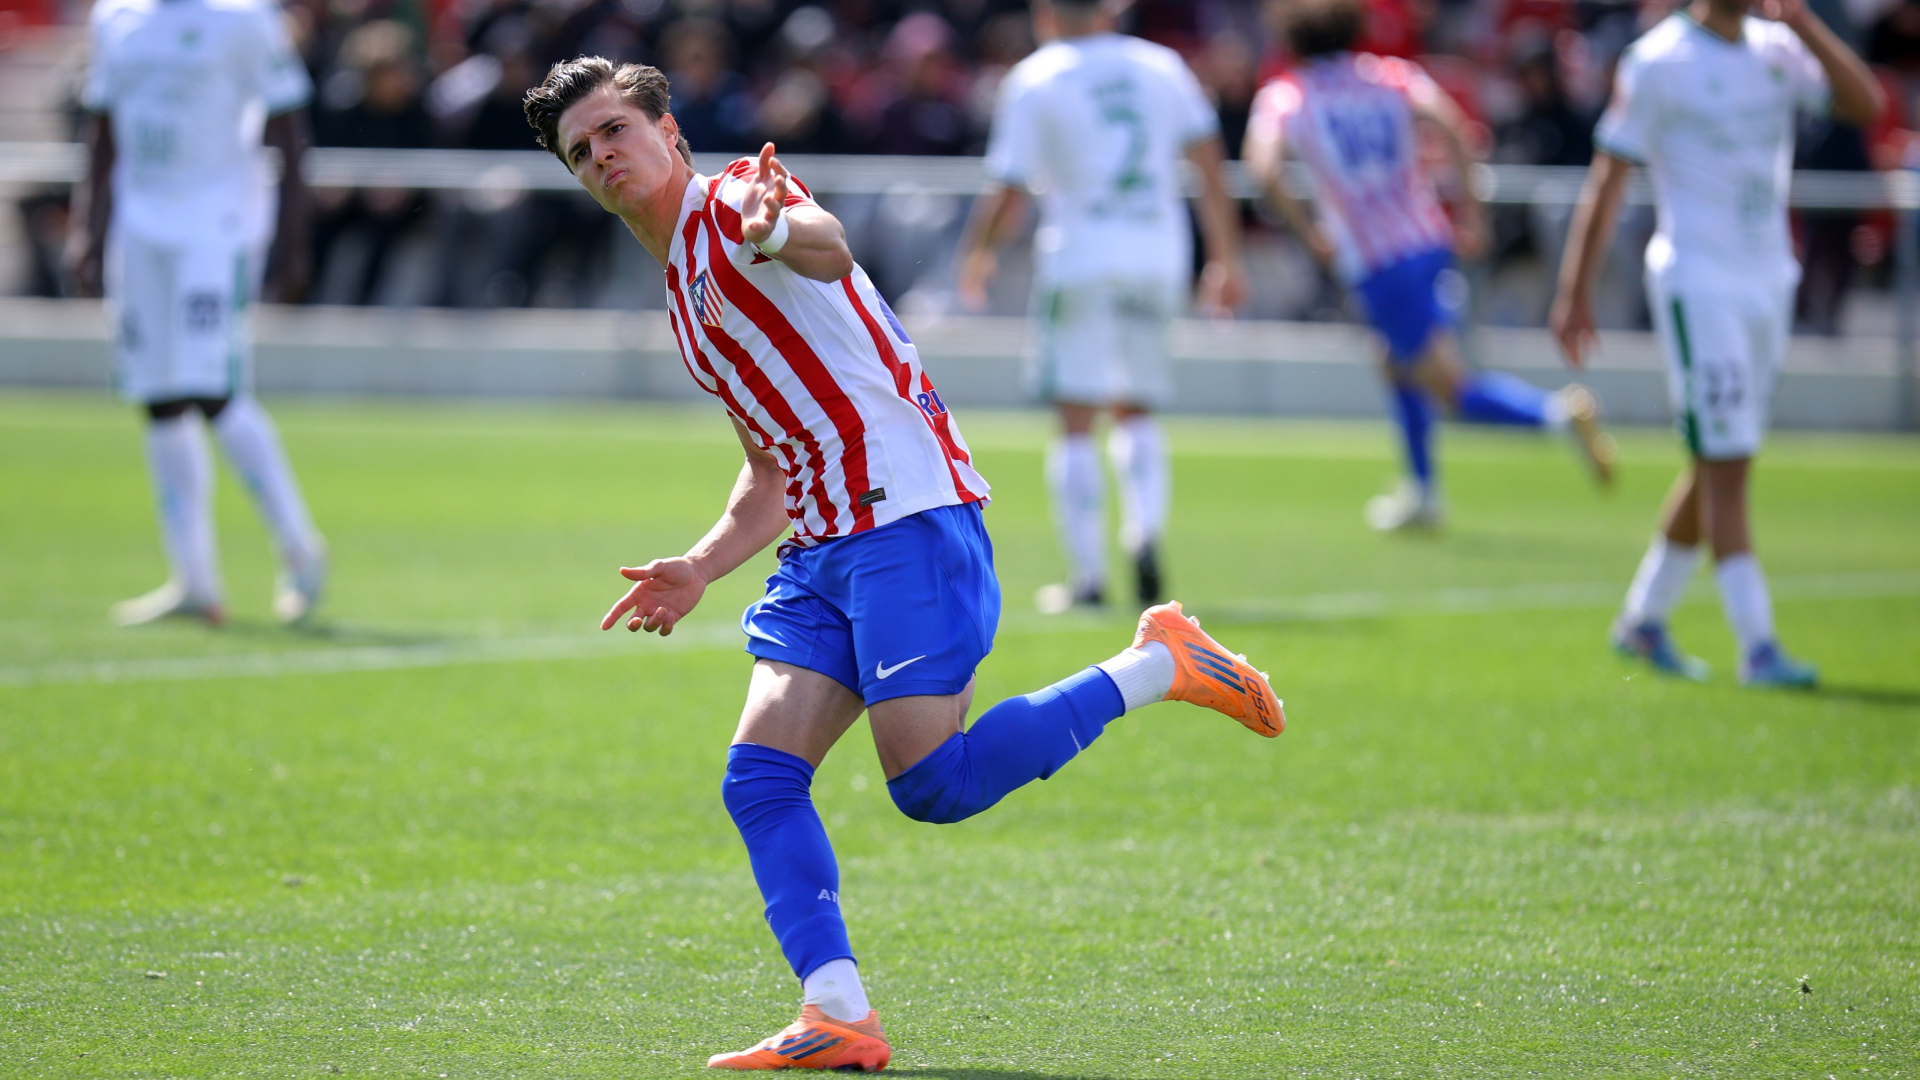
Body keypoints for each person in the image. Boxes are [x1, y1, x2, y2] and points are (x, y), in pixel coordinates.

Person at [522, 56, 1286, 1071]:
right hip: (822, 544)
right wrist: (703, 566)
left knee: (932, 785)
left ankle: (1160, 663)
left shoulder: (738, 206)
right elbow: (770, 469)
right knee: (759, 778)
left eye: (615, 129)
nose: (602, 156)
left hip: (906, 517)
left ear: (672, 134)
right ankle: (837, 1011)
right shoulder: (680, 293)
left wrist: (774, 226)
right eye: (581, 151)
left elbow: (827, 249)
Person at [1550, 0, 1883, 686]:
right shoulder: (1659, 59)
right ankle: (1757, 644)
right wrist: (1574, 287)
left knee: (1719, 459)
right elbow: (1609, 175)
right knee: (1727, 460)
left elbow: (1865, 103)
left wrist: (1807, 26)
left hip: (1770, 279)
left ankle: (1642, 622)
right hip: (1700, 281)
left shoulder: (1778, 45)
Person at [1243, 0, 1617, 533]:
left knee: (1449, 387)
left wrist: (1310, 233)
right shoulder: (1390, 75)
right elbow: (1453, 125)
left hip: (1376, 260)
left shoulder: (1289, 94)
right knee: (1394, 360)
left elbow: (1262, 167)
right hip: (1426, 237)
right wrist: (1473, 213)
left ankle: (1556, 417)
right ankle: (1423, 491)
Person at [955, 0, 1249, 611]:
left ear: (1047, 12)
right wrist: (1225, 257)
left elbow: (1008, 186)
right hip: (1157, 251)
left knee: (1076, 418)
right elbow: (1211, 167)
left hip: (1081, 254)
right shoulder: (1162, 65)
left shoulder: (1038, 76)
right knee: (1136, 409)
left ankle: (1087, 577)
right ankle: (1143, 531)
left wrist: (977, 253)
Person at [70, 0, 329, 627]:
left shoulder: (245, 19)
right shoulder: (114, 18)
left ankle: (299, 547)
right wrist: (90, 226)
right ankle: (194, 581)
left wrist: (295, 242)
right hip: (139, 232)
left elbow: (289, 129)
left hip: (214, 229)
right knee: (157, 396)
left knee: (211, 387)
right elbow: (103, 128)